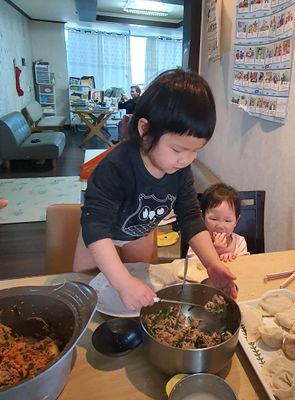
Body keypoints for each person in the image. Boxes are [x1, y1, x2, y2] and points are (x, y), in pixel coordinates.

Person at [72, 69, 237, 311]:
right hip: (101, 235)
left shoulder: (180, 170)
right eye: (177, 150)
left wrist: (212, 263)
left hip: (140, 233)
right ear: (145, 130)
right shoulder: (115, 167)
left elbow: (191, 217)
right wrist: (123, 282)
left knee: (141, 291)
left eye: (195, 150)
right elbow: (94, 227)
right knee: (85, 286)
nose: (186, 160)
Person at [187, 183, 249, 262]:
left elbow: (245, 265)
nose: (220, 226)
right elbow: (192, 265)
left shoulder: (239, 242)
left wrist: (232, 259)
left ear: (236, 221)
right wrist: (215, 252)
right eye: (214, 219)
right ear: (202, 217)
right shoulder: (197, 242)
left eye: (227, 220)